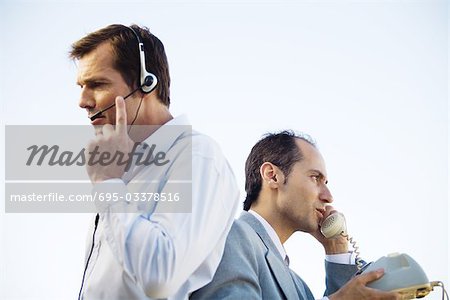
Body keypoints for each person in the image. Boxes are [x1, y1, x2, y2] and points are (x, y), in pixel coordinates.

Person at [70, 24, 239, 299]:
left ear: (146, 83)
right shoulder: (121, 167)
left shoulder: (199, 157)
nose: (82, 101)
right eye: (80, 86)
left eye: (97, 84)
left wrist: (107, 184)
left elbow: (160, 277)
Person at [191, 131, 401, 300]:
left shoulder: (300, 287)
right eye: (315, 178)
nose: (328, 196)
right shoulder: (230, 235)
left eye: (325, 183)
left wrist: (336, 252)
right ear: (272, 176)